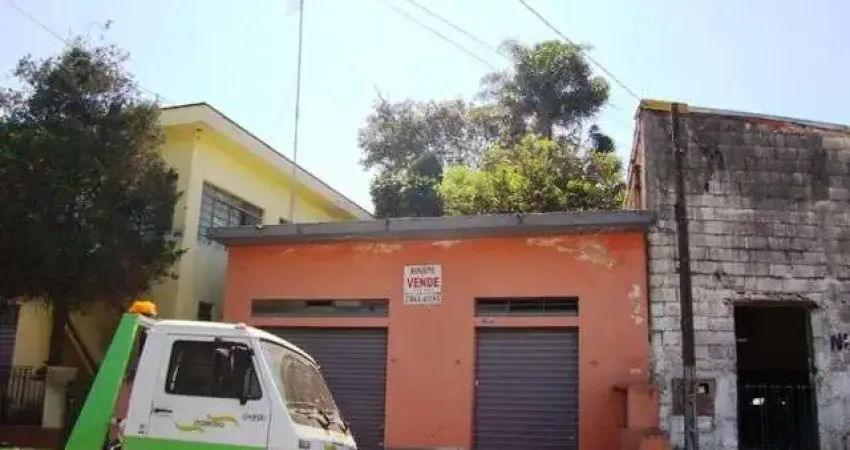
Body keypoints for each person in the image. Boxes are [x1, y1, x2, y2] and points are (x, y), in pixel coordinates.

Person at [106, 300, 158, 448]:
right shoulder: (146, 331)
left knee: (122, 415)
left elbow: (141, 356)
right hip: (133, 379)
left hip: (132, 380)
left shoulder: (143, 332)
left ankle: (115, 441)